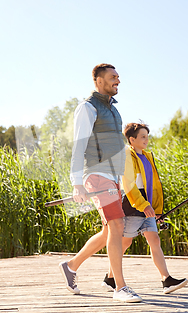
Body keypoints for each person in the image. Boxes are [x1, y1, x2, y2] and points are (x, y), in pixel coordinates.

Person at [58, 63, 142, 303]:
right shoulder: (87, 107)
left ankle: (71, 266)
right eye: (113, 77)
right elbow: (79, 145)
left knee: (109, 229)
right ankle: (120, 288)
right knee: (117, 225)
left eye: (118, 77)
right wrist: (77, 183)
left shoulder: (114, 110)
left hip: (112, 176)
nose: (118, 80)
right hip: (96, 173)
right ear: (98, 81)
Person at [101, 122, 188, 294]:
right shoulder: (127, 155)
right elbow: (129, 185)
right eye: (142, 137)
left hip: (147, 203)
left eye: (147, 136)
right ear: (131, 140)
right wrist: (143, 204)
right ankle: (110, 279)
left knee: (154, 240)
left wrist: (156, 209)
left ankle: (166, 280)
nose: (146, 140)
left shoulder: (147, 156)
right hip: (133, 204)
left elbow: (153, 186)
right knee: (125, 243)